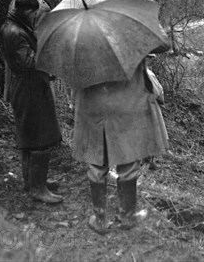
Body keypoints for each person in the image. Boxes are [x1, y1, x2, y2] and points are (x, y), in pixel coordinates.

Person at [72, 57, 170, 234]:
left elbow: (76, 88)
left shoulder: (83, 50)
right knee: (128, 162)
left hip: (94, 112)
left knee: (96, 164)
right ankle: (127, 216)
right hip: (125, 113)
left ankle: (100, 219)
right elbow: (149, 88)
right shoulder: (129, 49)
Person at [0, 0, 63, 204]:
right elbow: (28, 62)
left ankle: (33, 182)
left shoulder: (12, 26)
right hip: (30, 89)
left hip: (27, 87)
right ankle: (38, 188)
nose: (35, 16)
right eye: (34, 13)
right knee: (40, 137)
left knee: (29, 137)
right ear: (27, 11)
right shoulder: (16, 32)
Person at [4, 0, 56, 101]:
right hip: (32, 65)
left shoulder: (17, 0)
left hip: (14, 59)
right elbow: (43, 40)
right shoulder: (42, 7)